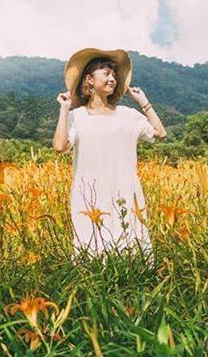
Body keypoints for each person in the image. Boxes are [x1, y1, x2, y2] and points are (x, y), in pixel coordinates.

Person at [53, 48, 166, 257]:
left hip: (124, 189)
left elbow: (160, 132)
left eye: (114, 74)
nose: (112, 78)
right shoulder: (77, 116)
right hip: (89, 193)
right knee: (91, 247)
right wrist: (64, 109)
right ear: (89, 79)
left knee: (130, 246)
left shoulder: (128, 115)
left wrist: (143, 102)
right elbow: (60, 147)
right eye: (106, 73)